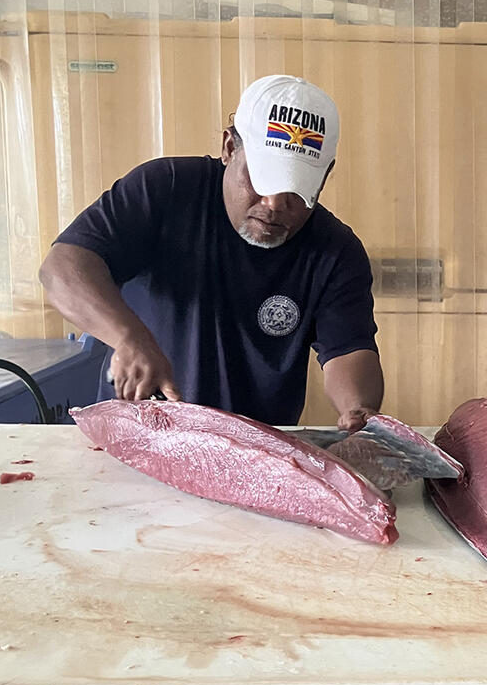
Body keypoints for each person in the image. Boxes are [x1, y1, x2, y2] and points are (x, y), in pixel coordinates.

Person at [39, 74, 383, 431]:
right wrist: (128, 337)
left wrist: (357, 409)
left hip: (253, 448)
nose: (274, 204)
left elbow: (348, 349)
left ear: (326, 175)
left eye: (296, 190)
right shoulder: (164, 189)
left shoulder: (336, 251)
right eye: (260, 178)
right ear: (229, 148)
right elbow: (62, 266)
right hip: (137, 432)